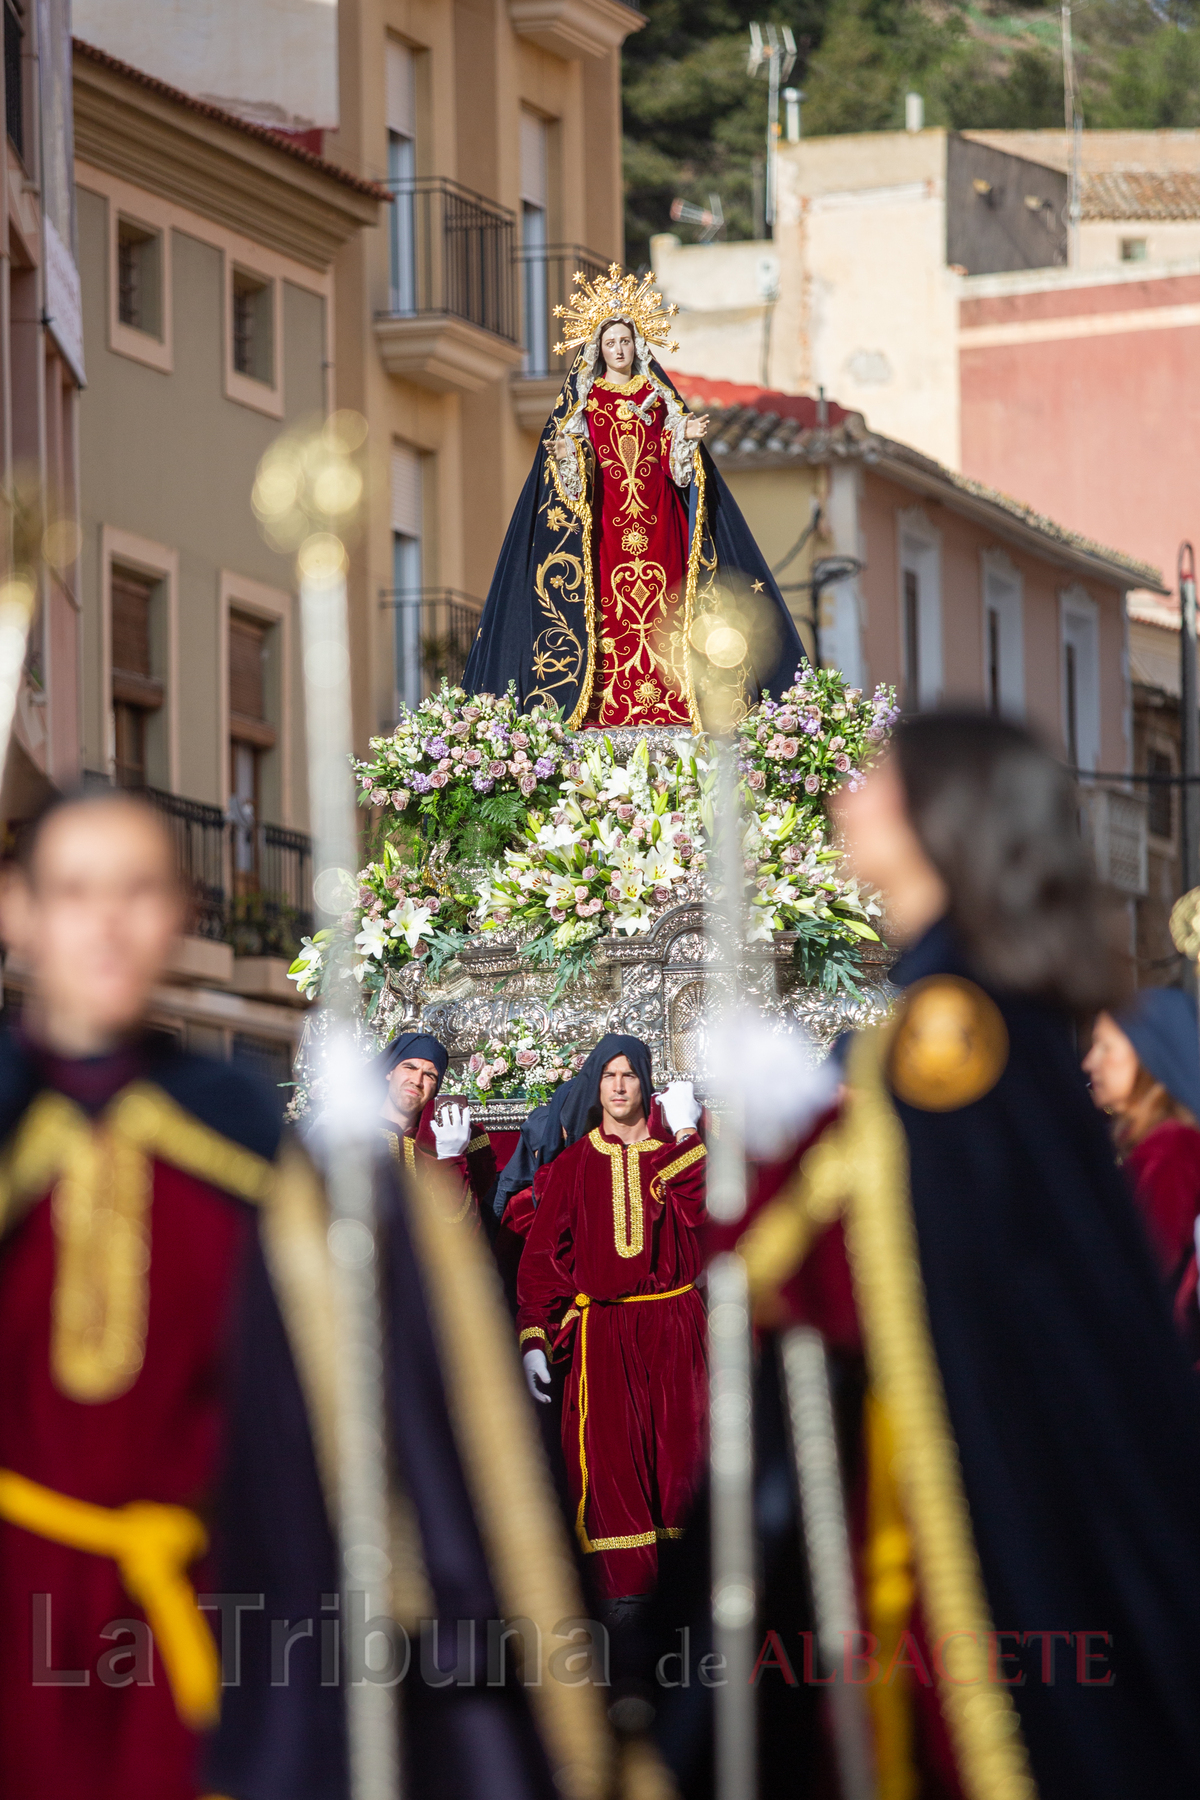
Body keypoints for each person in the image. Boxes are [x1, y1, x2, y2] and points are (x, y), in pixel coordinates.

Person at [738, 713, 1200, 1800]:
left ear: (939, 820)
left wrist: (773, 1157)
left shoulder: (947, 1022)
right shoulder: (976, 997)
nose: (847, 798)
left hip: (968, 1457)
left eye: (878, 783)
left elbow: (865, 1242)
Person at [0, 788, 287, 1800]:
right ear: (18, 913)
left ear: (180, 913)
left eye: (137, 890)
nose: (109, 923)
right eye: (76, 892)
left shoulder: (246, 1136)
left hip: (195, 1619)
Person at [462, 263, 804, 730]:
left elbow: (679, 470)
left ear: (637, 344)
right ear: (598, 349)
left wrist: (683, 436)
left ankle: (673, 696)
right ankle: (605, 700)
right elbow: (573, 476)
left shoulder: (659, 397)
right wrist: (569, 452)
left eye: (625, 341)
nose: (619, 350)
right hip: (607, 524)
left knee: (666, 604)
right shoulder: (585, 401)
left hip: (657, 519)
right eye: (610, 343)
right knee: (607, 609)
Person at [516, 1033, 707, 1605]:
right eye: (609, 1076)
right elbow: (543, 1259)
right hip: (605, 1330)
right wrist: (535, 1337)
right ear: (596, 1084)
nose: (620, 1087)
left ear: (646, 1083)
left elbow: (707, 1215)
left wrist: (689, 1133)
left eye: (630, 1076)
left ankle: (690, 1589)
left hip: (675, 1323)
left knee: (684, 1455)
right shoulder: (575, 1164)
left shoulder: (680, 1153)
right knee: (613, 1461)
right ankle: (627, 1599)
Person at [1084, 989, 1200, 1295]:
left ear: (1148, 1052)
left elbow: (1147, 1268)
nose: (1089, 1062)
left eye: (1104, 1047)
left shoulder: (1173, 1148)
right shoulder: (1141, 1141)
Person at [377, 1029, 496, 1226]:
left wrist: (451, 1158)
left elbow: (460, 1227)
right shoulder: (350, 1131)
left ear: (437, 1088)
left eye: (429, 1075)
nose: (417, 1081)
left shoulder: (439, 1139)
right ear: (390, 1072)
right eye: (410, 1067)